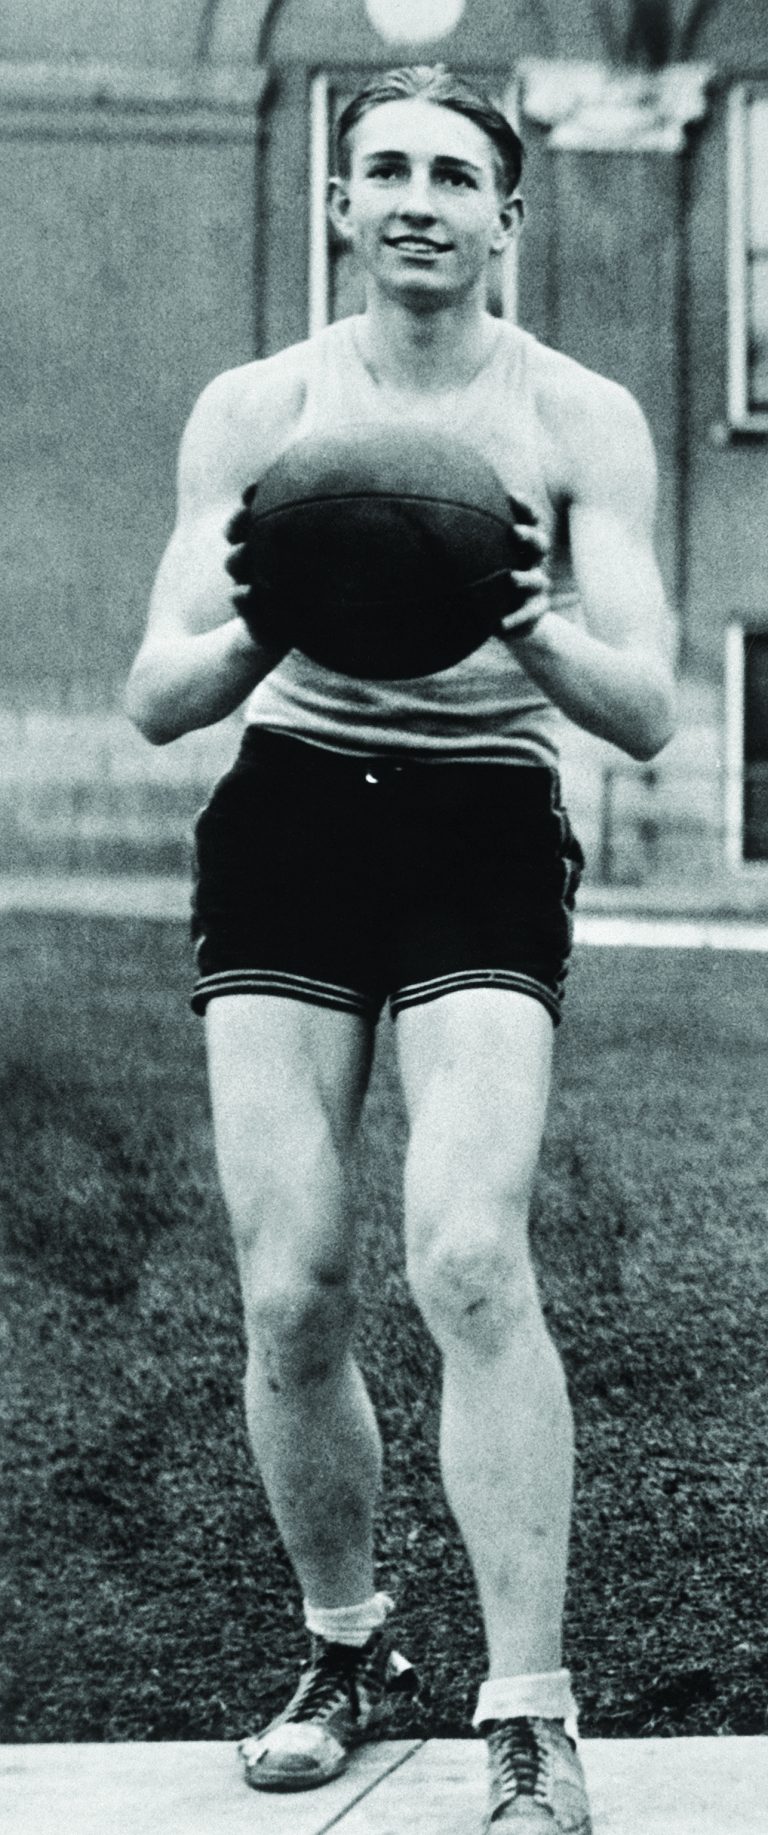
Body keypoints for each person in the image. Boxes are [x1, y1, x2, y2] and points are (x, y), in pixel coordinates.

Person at [126, 63, 676, 1835]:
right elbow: (157, 693)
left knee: (465, 1256)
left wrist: (524, 615)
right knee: (290, 1283)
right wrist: (263, 619)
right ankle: (350, 1649)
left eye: (459, 171)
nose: (422, 196)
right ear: (344, 208)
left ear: (508, 215)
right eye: (387, 170)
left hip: (479, 818)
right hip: (291, 807)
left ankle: (530, 1710)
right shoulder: (259, 410)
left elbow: (652, 706)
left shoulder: (580, 417)